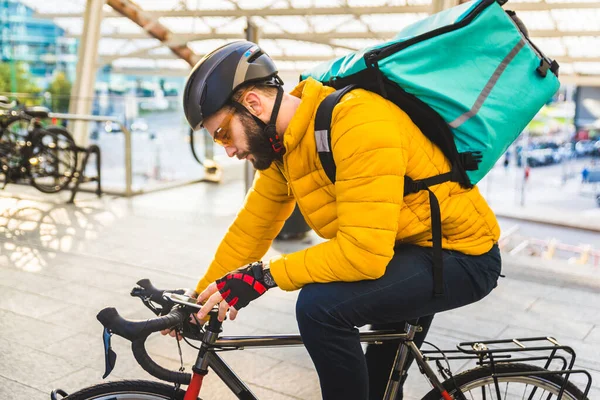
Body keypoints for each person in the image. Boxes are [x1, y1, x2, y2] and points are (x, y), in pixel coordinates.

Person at [175, 41, 502, 400]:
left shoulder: (358, 120)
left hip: (459, 255)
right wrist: (198, 303)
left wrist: (264, 276)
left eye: (223, 133)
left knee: (321, 308)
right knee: (373, 387)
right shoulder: (283, 148)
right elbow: (250, 230)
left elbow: (364, 253)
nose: (229, 151)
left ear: (253, 104)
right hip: (405, 251)